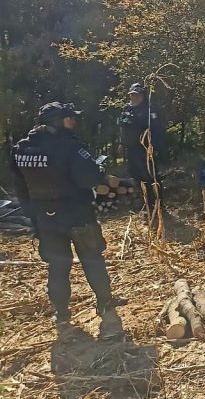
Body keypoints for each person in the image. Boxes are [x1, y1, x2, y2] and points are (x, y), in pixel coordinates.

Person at [8, 102, 124, 338]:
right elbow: (89, 177)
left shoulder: (21, 149)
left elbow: (20, 188)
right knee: (92, 259)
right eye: (70, 118)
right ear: (58, 120)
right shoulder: (69, 147)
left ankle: (61, 314)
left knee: (58, 266)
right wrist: (100, 172)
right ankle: (104, 303)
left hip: (46, 218)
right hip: (77, 214)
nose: (74, 121)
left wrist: (34, 217)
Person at [119, 83, 165, 213]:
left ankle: (158, 205)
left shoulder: (149, 110)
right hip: (131, 149)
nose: (135, 97)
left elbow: (157, 130)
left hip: (145, 149)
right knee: (137, 176)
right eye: (132, 94)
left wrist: (153, 146)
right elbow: (122, 128)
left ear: (143, 95)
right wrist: (121, 143)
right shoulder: (127, 109)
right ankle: (145, 203)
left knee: (151, 176)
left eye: (137, 94)